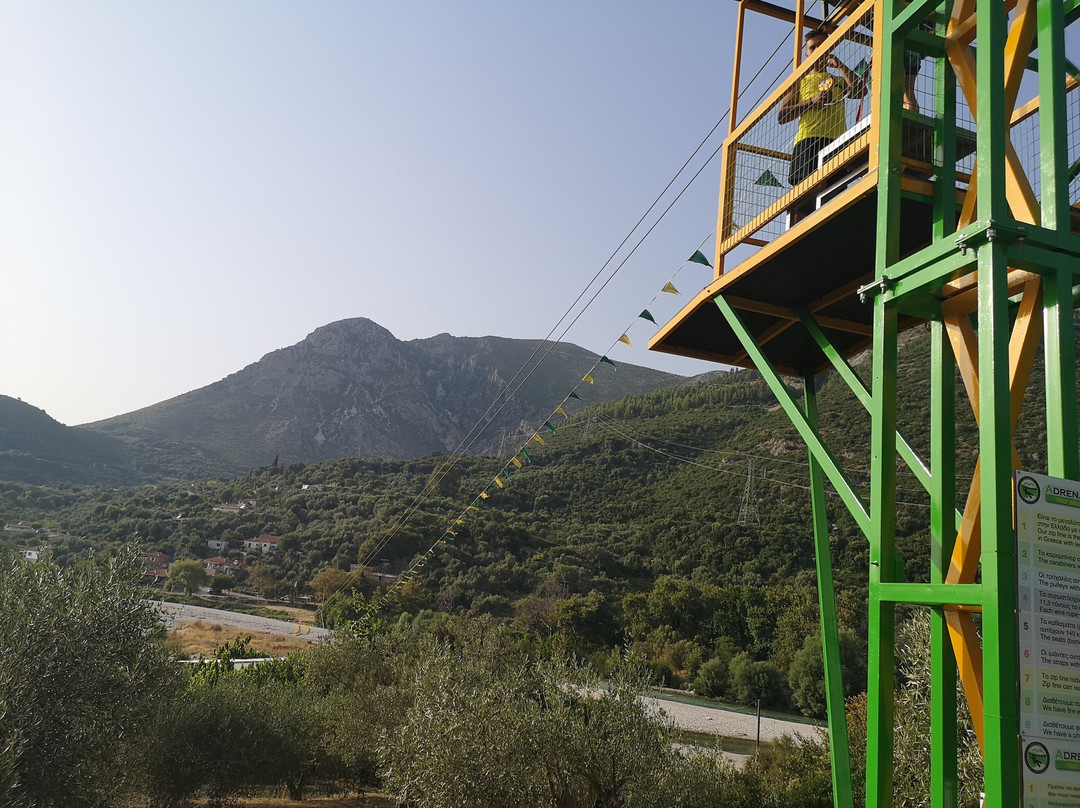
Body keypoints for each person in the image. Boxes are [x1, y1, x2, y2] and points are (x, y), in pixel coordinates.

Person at [778, 28, 861, 220]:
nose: (817, 51)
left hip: (836, 141)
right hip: (808, 140)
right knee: (804, 197)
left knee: (835, 193)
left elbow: (860, 91)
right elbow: (782, 115)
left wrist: (839, 64)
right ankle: (798, 239)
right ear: (807, 54)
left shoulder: (839, 79)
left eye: (822, 46)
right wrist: (812, 101)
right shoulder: (799, 81)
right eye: (812, 48)